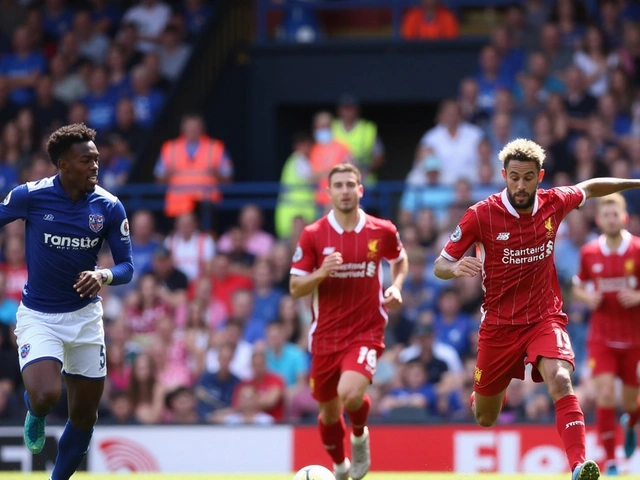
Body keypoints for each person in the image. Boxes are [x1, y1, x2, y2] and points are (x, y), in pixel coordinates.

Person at [433, 138, 640, 480]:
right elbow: (441, 263)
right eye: (514, 177)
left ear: (539, 176)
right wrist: (454, 269)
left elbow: (591, 187)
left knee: (560, 379)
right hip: (499, 326)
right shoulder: (480, 214)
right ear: (503, 175)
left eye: (527, 177)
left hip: (544, 317)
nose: (520, 185)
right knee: (486, 416)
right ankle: (482, 394)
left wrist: (636, 182)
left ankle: (579, 465)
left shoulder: (553, 203)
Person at [0, 124, 134, 480]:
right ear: (63, 164)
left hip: (86, 319)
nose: (95, 166)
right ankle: (35, 412)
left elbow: (127, 267)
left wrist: (103, 275)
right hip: (40, 316)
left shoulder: (108, 206)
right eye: (86, 160)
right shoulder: (30, 196)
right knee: (45, 394)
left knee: (85, 416)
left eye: (97, 159)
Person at [290, 163, 408, 480]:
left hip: (366, 329)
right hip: (325, 337)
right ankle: (340, 468)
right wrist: (321, 272)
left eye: (350, 184)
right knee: (328, 414)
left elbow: (400, 260)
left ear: (360, 189)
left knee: (350, 394)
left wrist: (395, 286)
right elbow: (295, 286)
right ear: (328, 192)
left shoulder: (381, 230)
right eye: (338, 185)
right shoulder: (314, 235)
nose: (344, 191)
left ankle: (359, 435)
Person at [572, 193, 640, 475]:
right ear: (599, 220)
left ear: (624, 218)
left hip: (634, 338)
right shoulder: (589, 253)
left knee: (630, 401)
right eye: (606, 215)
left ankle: (631, 428)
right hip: (601, 337)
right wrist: (588, 299)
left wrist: (637, 296)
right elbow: (578, 286)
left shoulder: (637, 250)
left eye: (616, 214)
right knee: (604, 395)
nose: (611, 219)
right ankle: (611, 461)